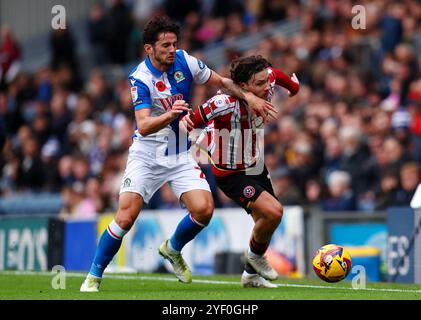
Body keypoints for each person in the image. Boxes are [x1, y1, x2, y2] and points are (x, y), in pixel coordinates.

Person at [80, 16, 276, 292]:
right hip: (147, 156)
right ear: (149, 48)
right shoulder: (141, 78)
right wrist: (170, 114)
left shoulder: (185, 61)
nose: (172, 50)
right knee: (125, 218)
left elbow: (221, 81)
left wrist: (250, 97)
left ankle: (172, 249)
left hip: (179, 152)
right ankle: (93, 277)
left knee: (204, 210)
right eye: (165, 46)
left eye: (174, 44)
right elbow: (145, 125)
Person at [181, 55, 299, 288]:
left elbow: (278, 75)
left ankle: (250, 276)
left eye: (266, 81)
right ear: (243, 86)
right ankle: (255, 258)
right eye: (259, 83)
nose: (266, 87)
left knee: (264, 222)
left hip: (255, 164)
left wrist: (294, 87)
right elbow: (190, 121)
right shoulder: (222, 104)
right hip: (231, 174)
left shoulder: (267, 80)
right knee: (274, 212)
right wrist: (198, 142)